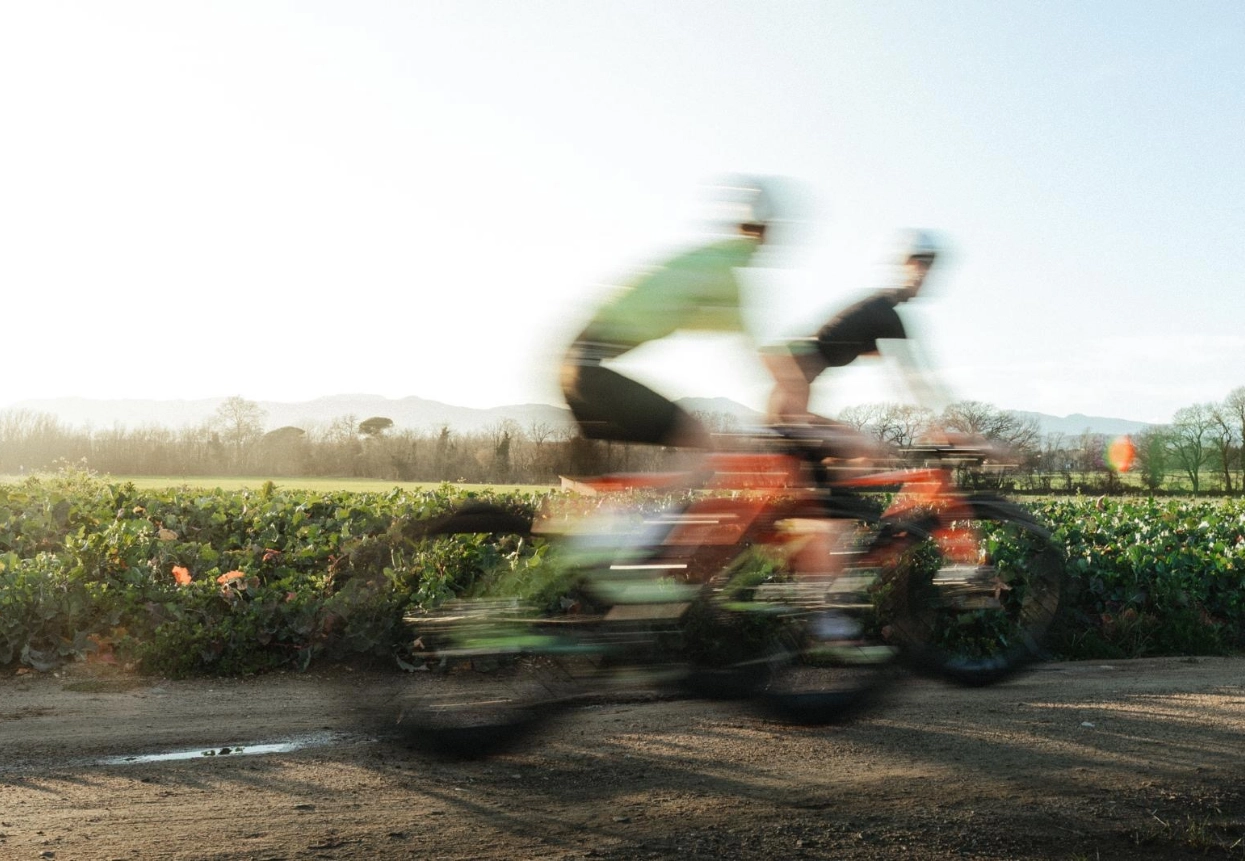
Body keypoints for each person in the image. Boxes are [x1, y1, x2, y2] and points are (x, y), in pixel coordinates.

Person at [560, 178, 781, 451]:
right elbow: (754, 356)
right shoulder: (722, 274)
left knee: (695, 442)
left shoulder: (710, 261)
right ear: (763, 230)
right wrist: (785, 405)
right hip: (587, 372)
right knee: (697, 439)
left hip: (575, 369)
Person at [763, 229, 953, 430]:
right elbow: (914, 382)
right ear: (903, 264)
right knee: (855, 443)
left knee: (847, 439)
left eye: (928, 265)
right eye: (919, 262)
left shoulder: (880, 311)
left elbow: (907, 377)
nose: (924, 272)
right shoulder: (885, 314)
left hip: (788, 369)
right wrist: (944, 426)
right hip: (791, 370)